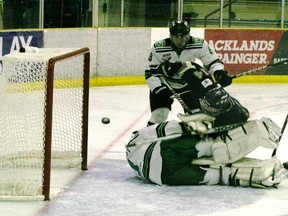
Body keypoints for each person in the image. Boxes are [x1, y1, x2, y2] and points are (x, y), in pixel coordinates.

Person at [125, 116, 287, 188]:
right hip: (165, 154)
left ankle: (262, 176)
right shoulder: (143, 134)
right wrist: (214, 129)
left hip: (163, 176)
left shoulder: (135, 150)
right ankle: (219, 143)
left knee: (220, 176)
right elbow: (179, 127)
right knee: (211, 145)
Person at [145, 20, 245, 126]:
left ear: (188, 35)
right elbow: (150, 73)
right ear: (171, 36)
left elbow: (213, 61)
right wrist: (158, 89)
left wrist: (219, 72)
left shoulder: (199, 44)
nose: (180, 41)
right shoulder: (158, 48)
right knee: (160, 114)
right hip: (165, 85)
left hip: (187, 84)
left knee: (196, 116)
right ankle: (145, 136)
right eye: (176, 37)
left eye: (183, 37)